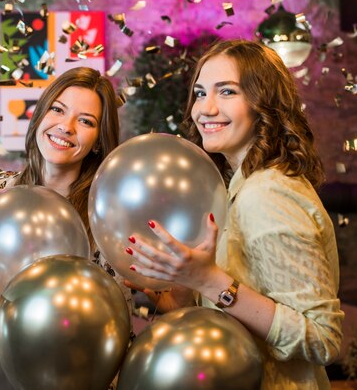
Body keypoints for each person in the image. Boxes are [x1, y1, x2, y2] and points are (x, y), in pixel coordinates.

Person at [126, 39, 343, 389]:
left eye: (226, 92)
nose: (205, 109)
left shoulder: (268, 193)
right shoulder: (238, 185)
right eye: (199, 93)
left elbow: (322, 339)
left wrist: (209, 280)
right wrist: (185, 297)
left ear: (264, 104)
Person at [0, 66, 133, 310]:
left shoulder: (109, 214)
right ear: (40, 114)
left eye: (85, 121)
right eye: (57, 110)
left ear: (98, 142)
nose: (66, 126)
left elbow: (116, 311)